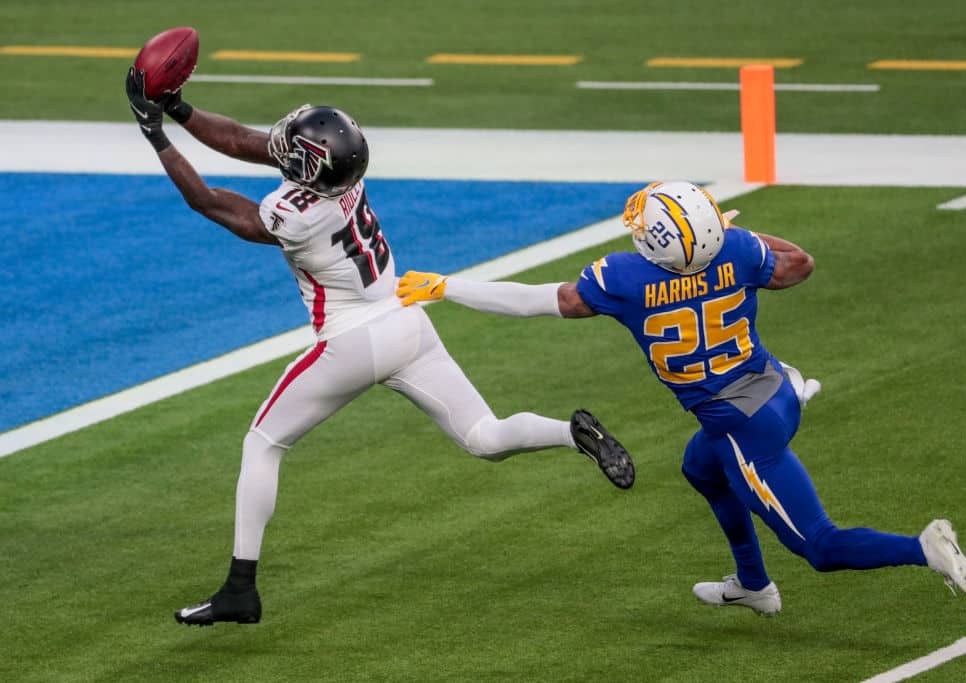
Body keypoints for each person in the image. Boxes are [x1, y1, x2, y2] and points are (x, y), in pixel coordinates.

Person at [124, 68, 636, 627]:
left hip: (349, 339)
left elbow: (208, 201)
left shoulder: (295, 215)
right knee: (484, 437)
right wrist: (177, 106)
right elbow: (250, 143)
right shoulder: (345, 175)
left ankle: (239, 590)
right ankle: (571, 432)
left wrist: (154, 131)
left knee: (263, 444)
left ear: (310, 165)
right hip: (406, 321)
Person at [396, 180, 966, 615]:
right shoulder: (734, 250)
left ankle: (925, 550)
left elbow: (535, 301)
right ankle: (752, 585)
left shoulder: (625, 278)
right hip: (772, 390)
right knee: (698, 465)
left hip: (744, 426)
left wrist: (450, 287)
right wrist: (736, 233)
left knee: (820, 546)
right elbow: (798, 264)